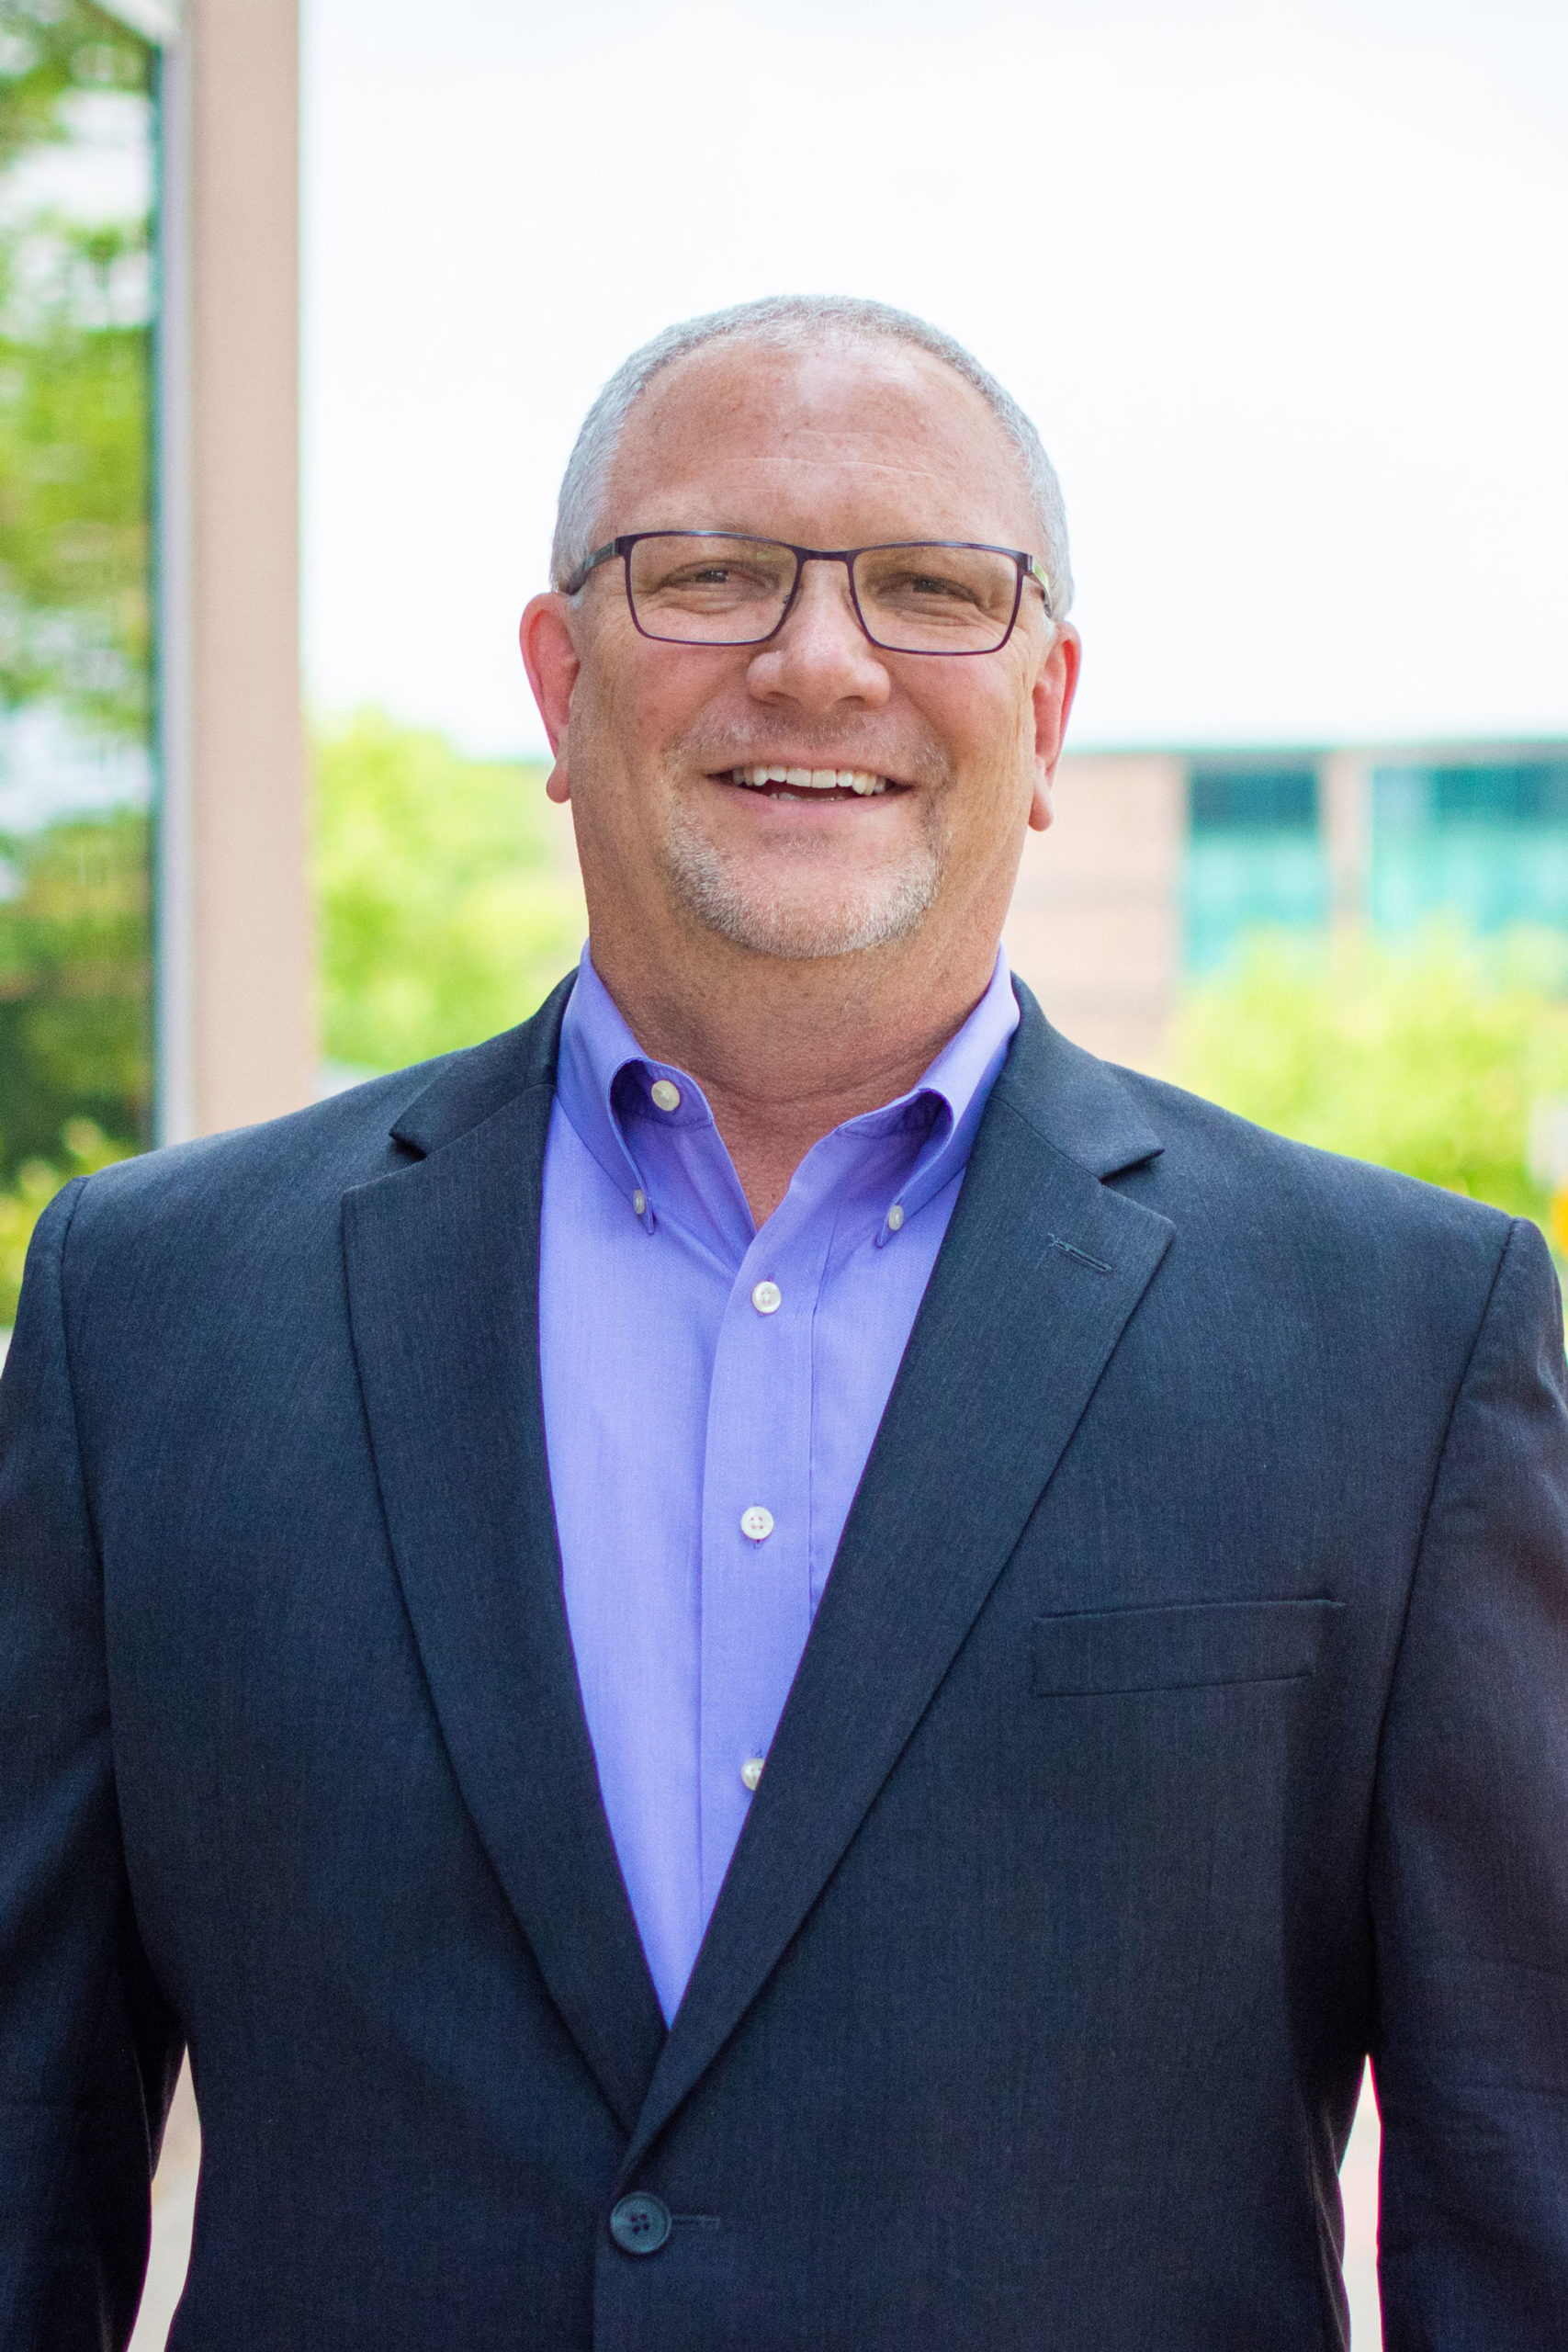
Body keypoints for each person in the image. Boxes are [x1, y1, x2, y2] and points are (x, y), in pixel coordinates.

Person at [1, 294, 1564, 2351]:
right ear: (558, 687)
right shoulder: (151, 1315)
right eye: (709, 574)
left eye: (930, 587)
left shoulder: (1400, 1337)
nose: (817, 658)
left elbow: (1515, 2197)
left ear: (1047, 709)